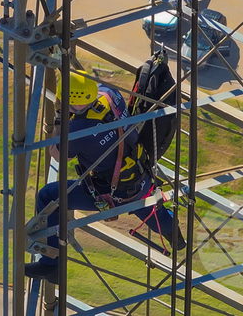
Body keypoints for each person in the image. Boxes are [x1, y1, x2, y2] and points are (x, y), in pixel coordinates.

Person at [25, 74, 184, 280]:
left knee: (48, 197)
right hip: (140, 174)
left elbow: (56, 154)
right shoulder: (111, 94)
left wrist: (59, 119)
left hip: (110, 190)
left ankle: (51, 263)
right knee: (145, 204)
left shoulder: (77, 131)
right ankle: (176, 236)